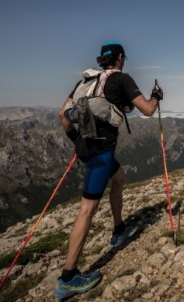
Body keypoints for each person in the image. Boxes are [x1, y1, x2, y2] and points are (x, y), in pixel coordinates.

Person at [54, 41, 163, 299]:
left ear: (102, 59)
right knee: (87, 210)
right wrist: (157, 95)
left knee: (120, 178)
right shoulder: (121, 79)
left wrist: (77, 142)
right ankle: (68, 278)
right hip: (100, 155)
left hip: (86, 148)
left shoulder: (86, 81)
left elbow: (62, 114)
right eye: (124, 58)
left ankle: (119, 229)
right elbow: (147, 110)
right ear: (120, 58)